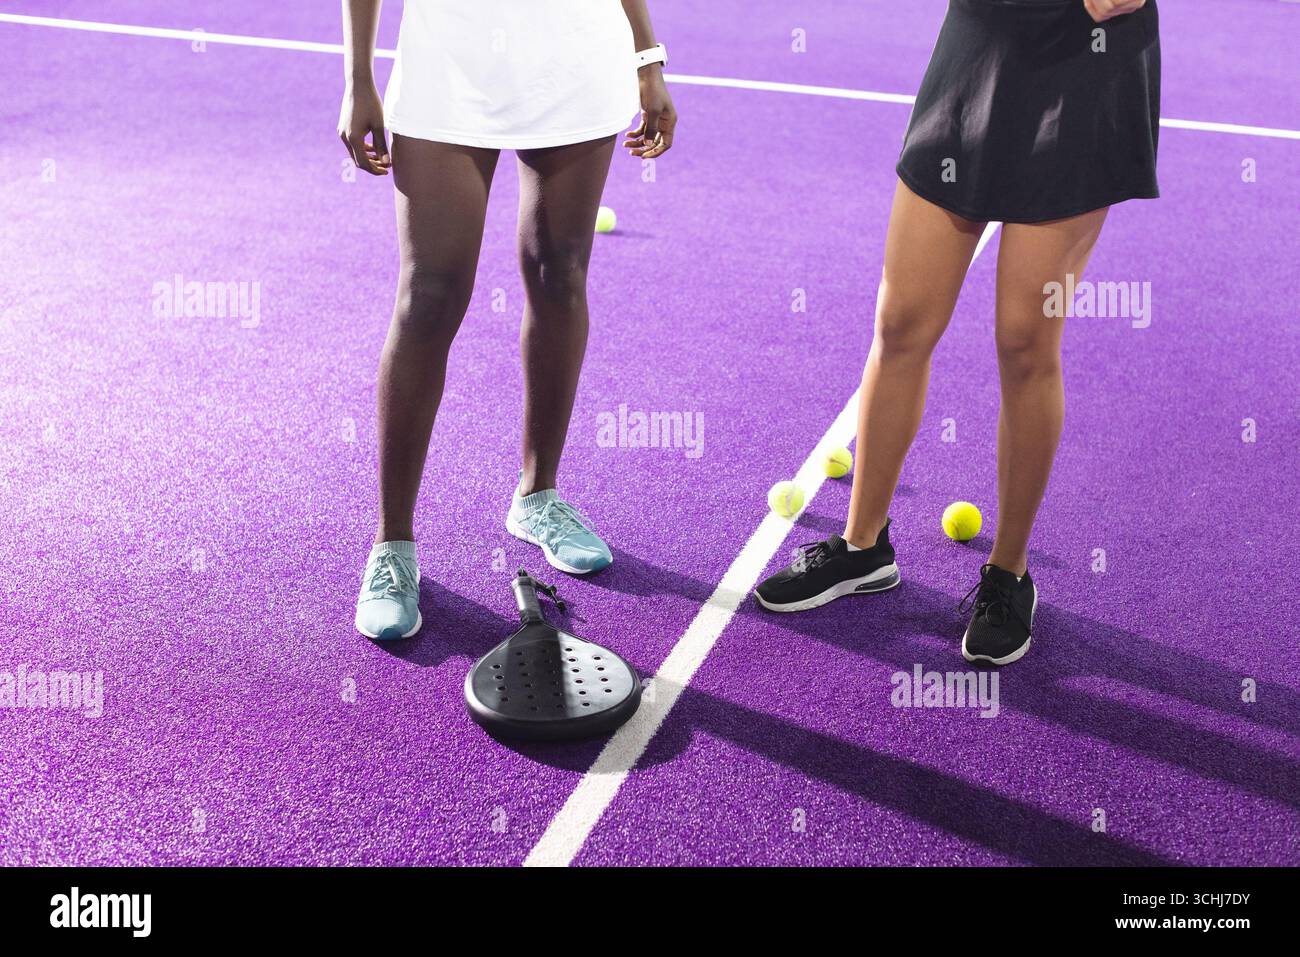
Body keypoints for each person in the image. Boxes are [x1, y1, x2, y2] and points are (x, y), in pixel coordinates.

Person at [756, 0, 1160, 666]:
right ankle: (863, 547)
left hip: (1084, 58)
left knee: (1025, 341)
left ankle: (1008, 575)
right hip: (979, 42)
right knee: (901, 319)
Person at [340, 1, 677, 640]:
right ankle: (391, 546)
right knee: (429, 297)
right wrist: (359, 78)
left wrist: (646, 58)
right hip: (450, 66)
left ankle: (538, 497)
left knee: (560, 272)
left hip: (575, 61)